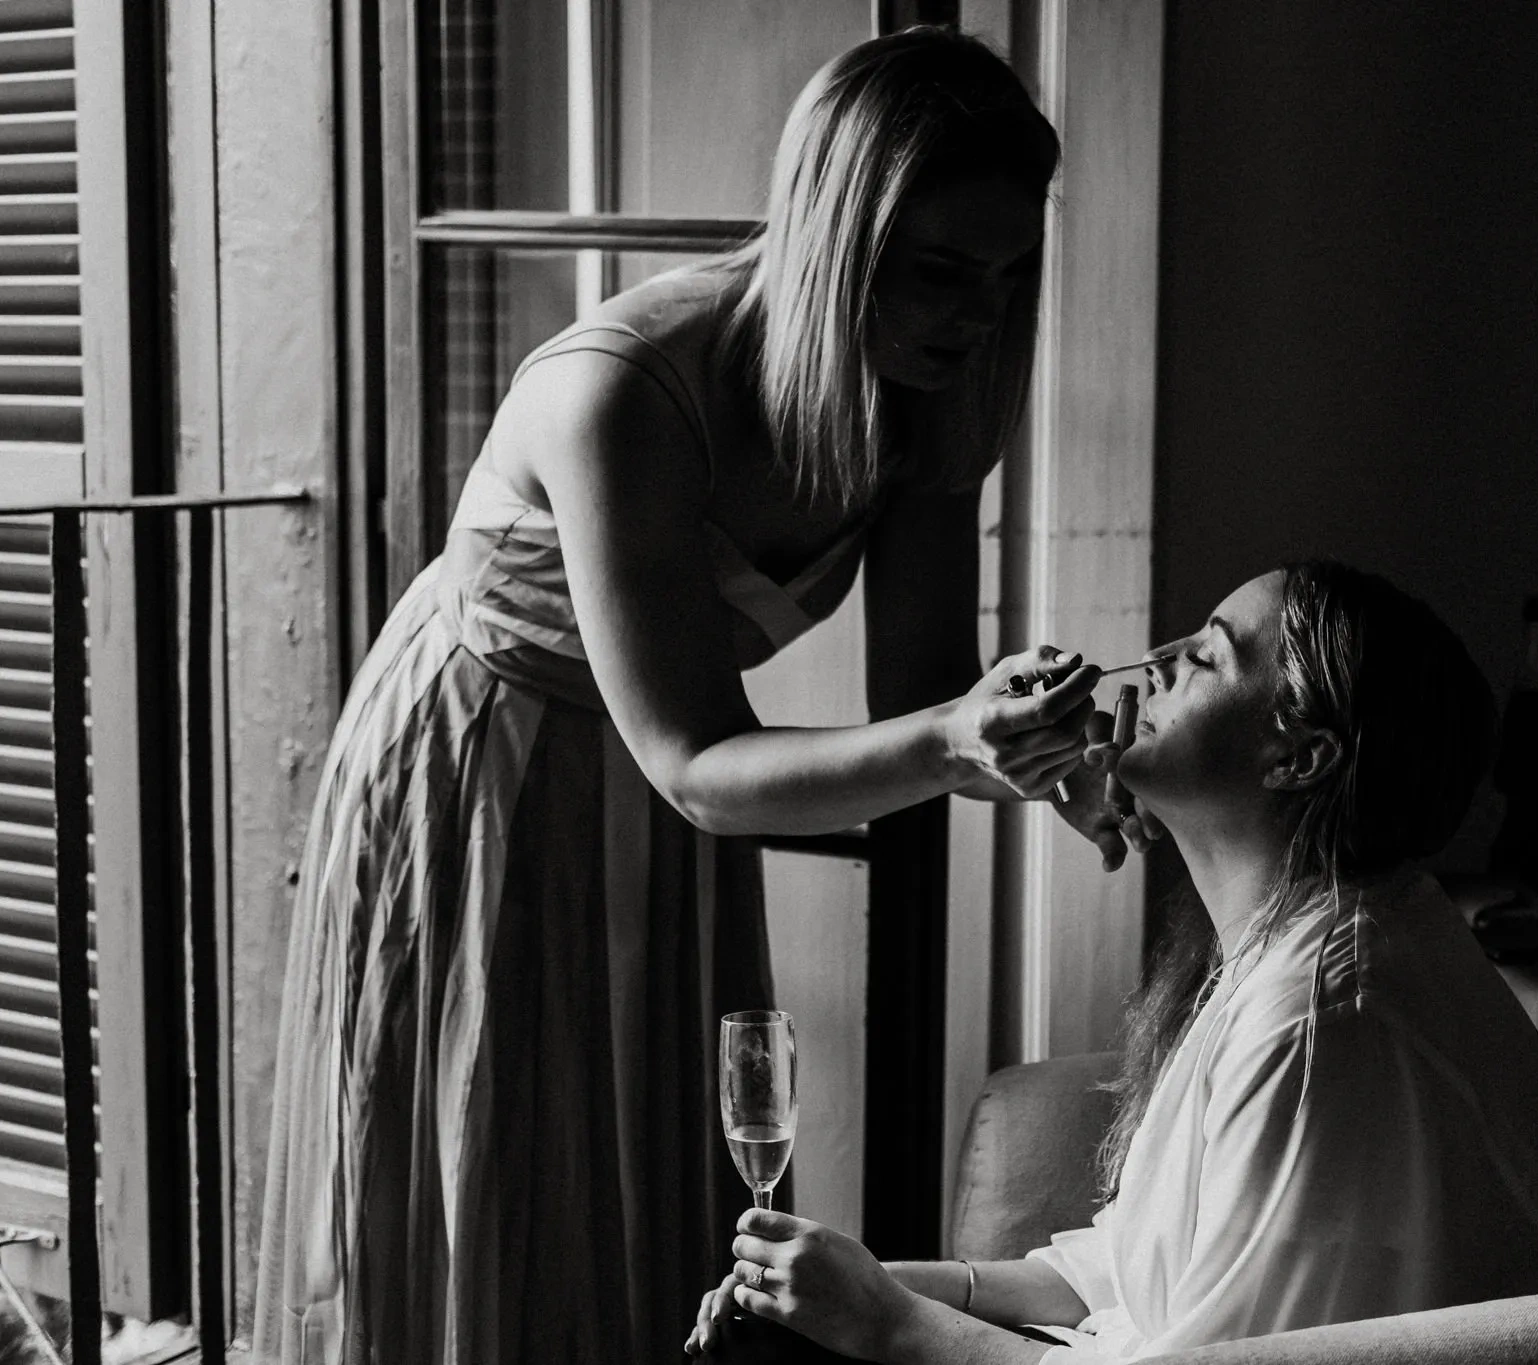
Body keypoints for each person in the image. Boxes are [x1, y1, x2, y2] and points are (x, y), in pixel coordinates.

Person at [252, 28, 1137, 1365]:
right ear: (840, 240)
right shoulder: (624, 389)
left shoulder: (930, 399)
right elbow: (693, 757)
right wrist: (958, 742)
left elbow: (925, 697)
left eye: (1010, 277)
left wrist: (1042, 750)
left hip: (673, 792)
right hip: (486, 766)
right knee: (495, 1180)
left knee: (649, 1197)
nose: (979, 315)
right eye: (944, 272)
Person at [687, 561, 1538, 1362]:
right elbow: (1131, 1268)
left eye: (1209, 653)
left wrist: (889, 1324)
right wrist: (862, 1283)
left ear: (1301, 756)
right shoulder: (1300, 937)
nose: (1159, 655)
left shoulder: (1323, 1013)